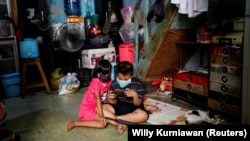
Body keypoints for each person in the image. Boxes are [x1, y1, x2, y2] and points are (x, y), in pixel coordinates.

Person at [65, 59, 112, 132]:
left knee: (111, 111)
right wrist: (101, 115)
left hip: (97, 107)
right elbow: (97, 99)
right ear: (99, 73)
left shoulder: (109, 81)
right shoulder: (95, 82)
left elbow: (108, 94)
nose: (107, 76)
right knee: (102, 124)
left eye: (108, 73)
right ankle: (76, 123)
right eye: (105, 74)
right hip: (87, 109)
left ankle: (100, 116)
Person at [103, 61, 149, 134]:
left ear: (131, 76)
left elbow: (137, 104)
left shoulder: (138, 84)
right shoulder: (114, 84)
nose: (122, 81)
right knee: (100, 108)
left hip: (133, 106)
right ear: (116, 75)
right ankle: (122, 122)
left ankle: (115, 119)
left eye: (126, 79)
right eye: (120, 79)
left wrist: (135, 95)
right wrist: (109, 98)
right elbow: (113, 102)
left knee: (143, 116)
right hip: (119, 105)